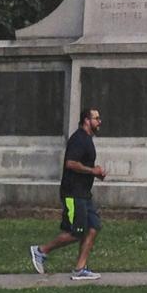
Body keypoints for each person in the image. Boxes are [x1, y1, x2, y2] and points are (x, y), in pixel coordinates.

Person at [30, 107, 107, 280]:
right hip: (73, 193)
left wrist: (96, 173)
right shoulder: (78, 139)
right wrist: (92, 171)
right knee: (76, 232)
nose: (99, 121)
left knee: (93, 227)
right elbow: (71, 163)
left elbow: (83, 166)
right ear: (87, 120)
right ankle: (41, 251)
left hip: (84, 194)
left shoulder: (87, 139)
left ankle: (80, 268)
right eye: (96, 118)